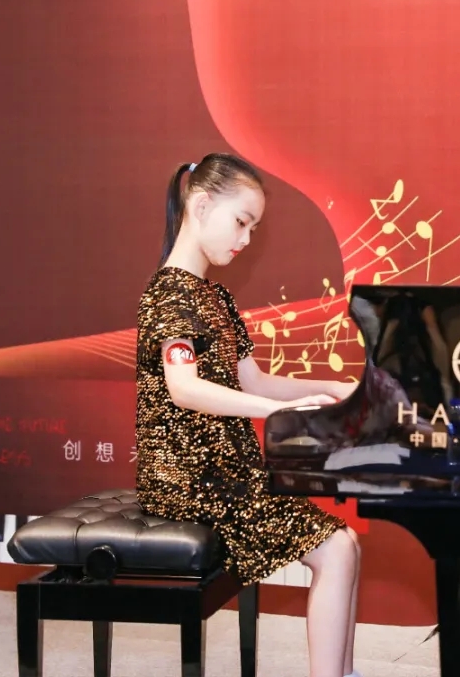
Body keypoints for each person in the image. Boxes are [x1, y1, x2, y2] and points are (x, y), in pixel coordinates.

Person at [134, 153, 363, 677]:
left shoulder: (214, 297)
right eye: (241, 222)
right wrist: (279, 410)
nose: (245, 239)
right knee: (336, 550)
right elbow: (185, 388)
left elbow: (253, 380)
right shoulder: (170, 293)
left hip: (228, 472)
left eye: (253, 229)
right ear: (200, 206)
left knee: (346, 544)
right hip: (190, 480)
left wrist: (330, 386)